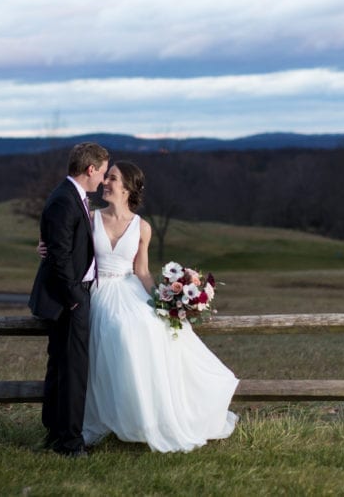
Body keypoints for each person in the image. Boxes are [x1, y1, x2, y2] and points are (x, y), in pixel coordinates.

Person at [41, 160, 239, 453]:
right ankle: (104, 414)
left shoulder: (142, 227)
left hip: (128, 288)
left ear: (127, 188)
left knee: (148, 326)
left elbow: (142, 271)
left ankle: (148, 416)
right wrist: (42, 247)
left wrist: (166, 300)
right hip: (95, 290)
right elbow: (63, 244)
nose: (105, 182)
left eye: (113, 178)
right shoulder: (90, 218)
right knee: (119, 329)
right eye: (106, 177)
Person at [28, 142, 109, 457]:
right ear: (91, 169)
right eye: (102, 173)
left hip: (69, 296)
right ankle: (70, 444)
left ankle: (57, 434)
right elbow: (60, 256)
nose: (103, 180)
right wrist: (76, 298)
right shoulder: (65, 200)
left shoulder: (71, 196)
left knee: (62, 367)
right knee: (72, 371)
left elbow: (64, 246)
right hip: (68, 300)